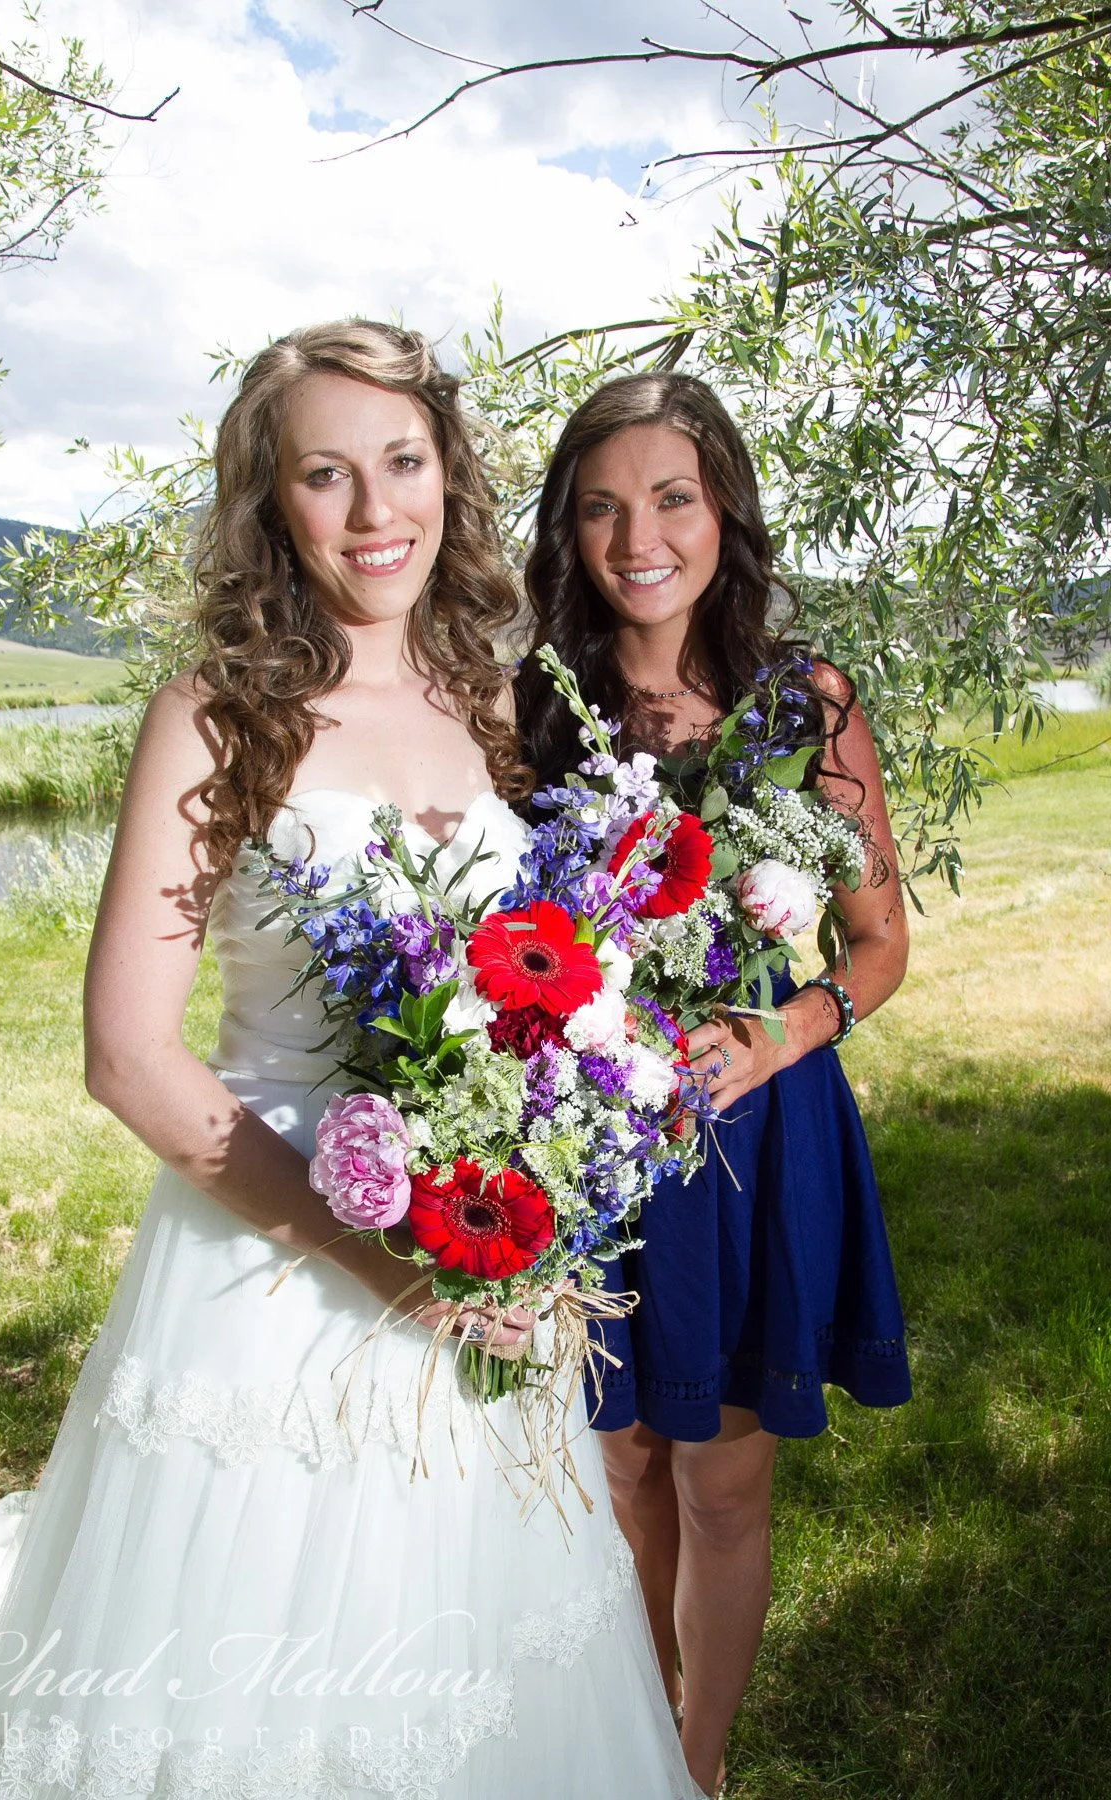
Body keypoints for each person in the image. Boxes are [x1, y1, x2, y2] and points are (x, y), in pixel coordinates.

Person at [0, 325, 699, 1800]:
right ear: (270, 501)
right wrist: (391, 1265)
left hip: (486, 1253)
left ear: (450, 477)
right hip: (270, 1268)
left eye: (403, 462)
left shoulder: (490, 702)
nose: (375, 510)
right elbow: (126, 1053)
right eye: (325, 475)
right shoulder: (216, 721)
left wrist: (535, 1179)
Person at [515, 371, 913, 1799]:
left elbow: (878, 946)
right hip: (591, 1136)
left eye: (672, 498)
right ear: (568, 529)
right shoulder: (531, 705)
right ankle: (640, 1736)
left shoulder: (806, 700)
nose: (640, 538)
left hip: (754, 1131)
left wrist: (782, 1036)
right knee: (622, 1463)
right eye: (602, 506)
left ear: (724, 510)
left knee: (725, 1477)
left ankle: (698, 1768)